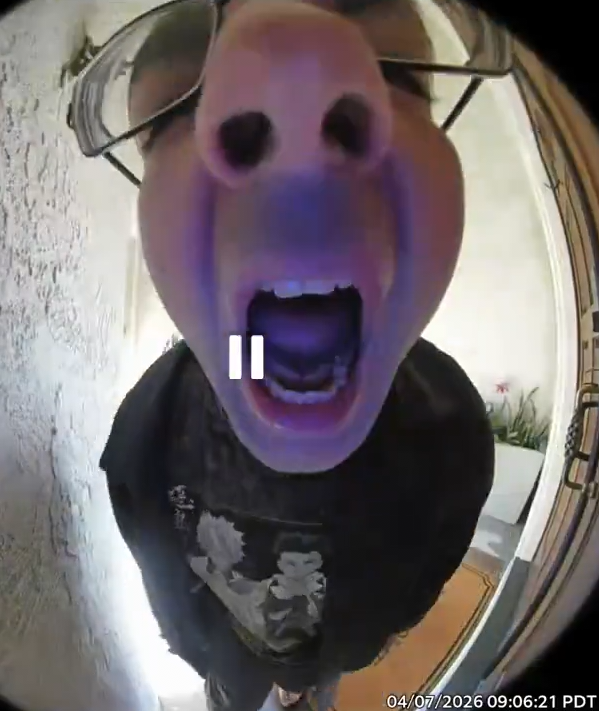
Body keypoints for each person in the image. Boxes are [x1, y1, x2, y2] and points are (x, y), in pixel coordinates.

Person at [67, 0, 496, 708]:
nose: (293, 88)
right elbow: (155, 563)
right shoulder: (145, 433)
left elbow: (426, 572)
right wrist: (200, 653)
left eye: (395, 72)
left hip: (330, 659)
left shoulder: (458, 441)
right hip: (225, 662)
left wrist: (353, 654)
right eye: (174, 109)